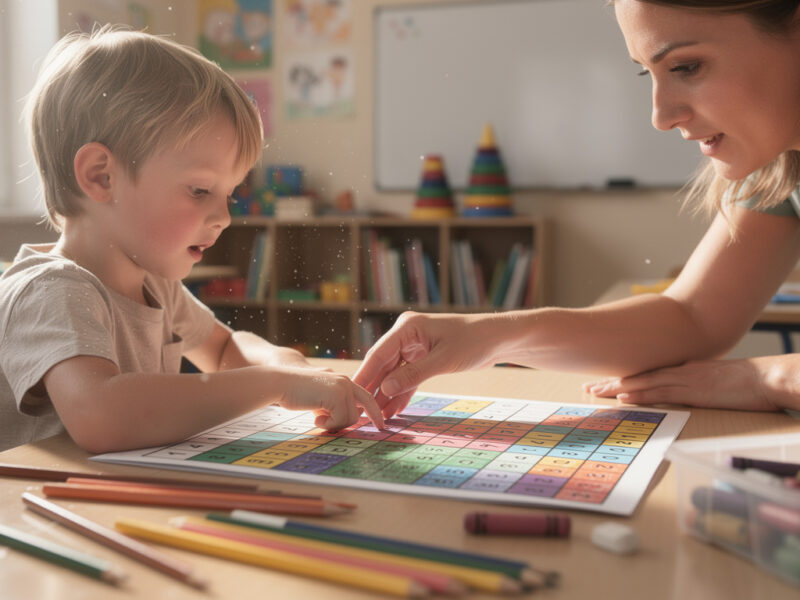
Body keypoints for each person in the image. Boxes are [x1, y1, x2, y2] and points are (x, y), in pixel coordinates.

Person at [354, 0, 800, 419]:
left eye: (686, 67)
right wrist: (485, 336)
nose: (660, 116)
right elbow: (693, 318)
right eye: (649, 75)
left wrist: (765, 378)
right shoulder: (779, 168)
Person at [0, 26, 383, 454]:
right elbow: (100, 417)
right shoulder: (51, 291)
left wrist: (287, 364)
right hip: (29, 515)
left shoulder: (153, 283)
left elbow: (223, 348)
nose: (223, 218)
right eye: (200, 191)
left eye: (229, 194)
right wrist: (275, 384)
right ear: (101, 176)